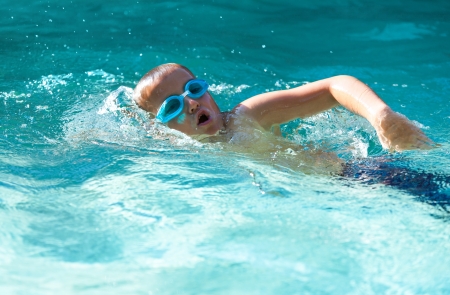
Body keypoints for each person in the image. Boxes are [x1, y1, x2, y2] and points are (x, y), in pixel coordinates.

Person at [133, 63, 436, 152]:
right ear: (159, 126)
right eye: (173, 105)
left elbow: (334, 86)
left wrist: (380, 115)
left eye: (194, 89)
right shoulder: (169, 148)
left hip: (353, 181)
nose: (191, 103)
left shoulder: (246, 116)